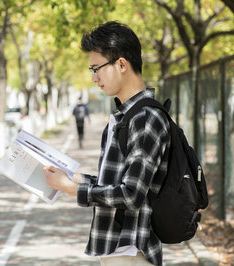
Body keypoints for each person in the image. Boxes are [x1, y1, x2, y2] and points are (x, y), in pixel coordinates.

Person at [44, 21, 170, 266]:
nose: (94, 78)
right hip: (118, 251)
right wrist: (74, 178)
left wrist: (72, 189)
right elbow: (120, 184)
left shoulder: (145, 118)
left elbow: (131, 195)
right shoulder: (126, 116)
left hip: (131, 252)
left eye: (96, 68)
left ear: (121, 64)